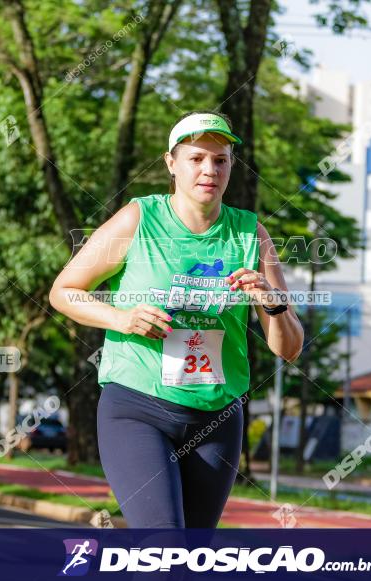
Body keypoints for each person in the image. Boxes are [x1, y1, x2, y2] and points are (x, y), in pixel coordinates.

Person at [50, 111, 304, 528]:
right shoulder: (138, 219)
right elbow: (63, 291)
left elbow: (289, 349)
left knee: (188, 562)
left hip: (218, 416)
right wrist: (121, 318)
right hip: (137, 407)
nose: (209, 169)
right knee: (163, 547)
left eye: (220, 160)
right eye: (196, 158)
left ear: (231, 167)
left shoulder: (250, 233)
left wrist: (272, 303)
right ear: (171, 163)